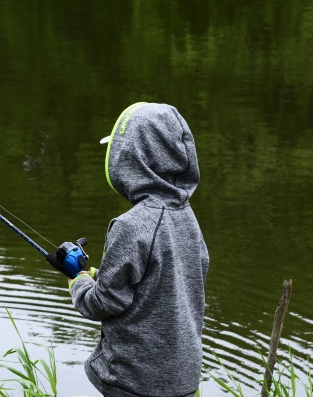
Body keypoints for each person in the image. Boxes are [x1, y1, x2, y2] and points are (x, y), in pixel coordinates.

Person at [68, 102, 209, 397]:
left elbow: (102, 303)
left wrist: (78, 281)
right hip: (182, 379)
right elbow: (167, 279)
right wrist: (99, 271)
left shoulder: (130, 225)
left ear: (131, 159)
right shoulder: (186, 215)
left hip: (134, 383)